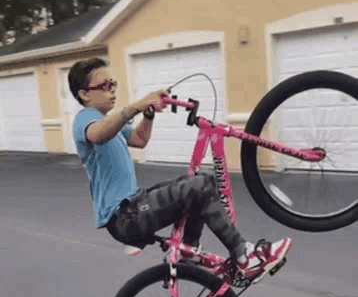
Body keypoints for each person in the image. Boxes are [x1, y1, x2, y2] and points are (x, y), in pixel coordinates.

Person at [70, 58, 292, 284]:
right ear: (85, 94)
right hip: (123, 217)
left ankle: (189, 250)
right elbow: (97, 135)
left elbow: (139, 139)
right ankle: (245, 259)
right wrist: (134, 107)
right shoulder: (85, 118)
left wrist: (147, 115)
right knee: (198, 187)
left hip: (133, 204)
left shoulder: (110, 122)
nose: (112, 90)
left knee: (203, 181)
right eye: (104, 86)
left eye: (113, 84)